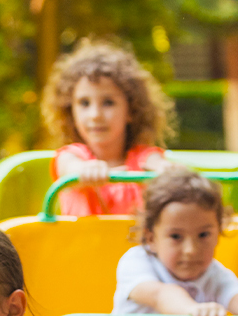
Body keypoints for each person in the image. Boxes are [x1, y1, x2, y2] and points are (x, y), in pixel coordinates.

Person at [92, 167, 238, 316]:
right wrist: (194, 310)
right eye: (176, 237)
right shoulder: (137, 261)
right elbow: (160, 295)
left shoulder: (214, 274)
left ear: (219, 232)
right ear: (151, 238)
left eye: (203, 235)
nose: (191, 250)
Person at [45, 40, 173, 217]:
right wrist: (83, 171)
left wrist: (165, 170)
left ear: (131, 110)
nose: (95, 115)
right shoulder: (72, 156)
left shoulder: (142, 158)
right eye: (84, 103)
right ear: (70, 111)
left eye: (108, 103)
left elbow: (159, 164)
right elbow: (69, 168)